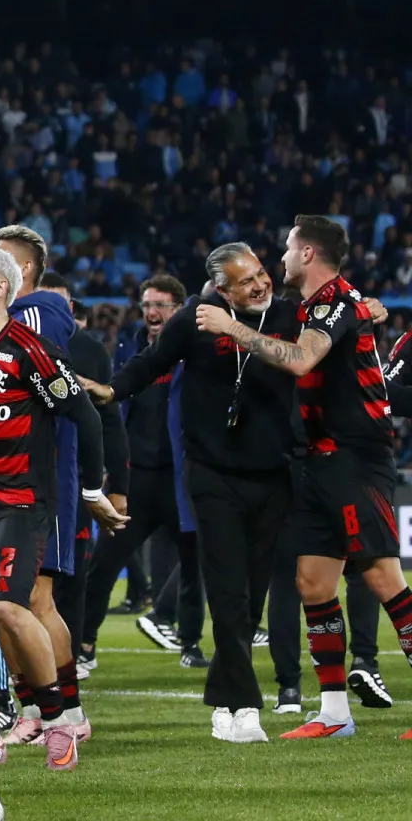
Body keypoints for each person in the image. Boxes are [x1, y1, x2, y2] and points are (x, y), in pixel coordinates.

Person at [193, 216, 412, 741]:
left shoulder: (337, 300)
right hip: (317, 461)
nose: (283, 257)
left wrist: (234, 330)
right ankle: (335, 714)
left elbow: (303, 358)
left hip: (355, 459)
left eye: (290, 248)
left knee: (383, 577)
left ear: (309, 253)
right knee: (312, 582)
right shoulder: (322, 306)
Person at [83, 244, 294, 742]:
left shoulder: (288, 314)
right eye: (245, 281)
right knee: (226, 589)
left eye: (261, 273)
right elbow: (152, 362)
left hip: (273, 473)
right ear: (221, 290)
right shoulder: (197, 320)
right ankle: (244, 707)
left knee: (252, 593)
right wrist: (114, 390)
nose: (260, 284)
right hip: (212, 473)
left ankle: (223, 698)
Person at [0, 245, 119, 775]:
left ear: (0, 288)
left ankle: (60, 723)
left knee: (9, 609)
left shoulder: (31, 351)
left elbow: (85, 418)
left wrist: (91, 492)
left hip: (21, 506)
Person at [76, 276, 206, 672]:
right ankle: (85, 643)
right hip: (136, 481)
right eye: (147, 304)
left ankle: (191, 643)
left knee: (194, 562)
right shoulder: (129, 348)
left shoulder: (195, 349)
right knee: (102, 564)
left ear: (180, 309)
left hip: (181, 479)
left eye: (161, 306)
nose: (151, 313)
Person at [37, 273, 127, 684]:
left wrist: (114, 486)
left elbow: (106, 421)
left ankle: (67, 665)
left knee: (68, 579)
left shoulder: (88, 350)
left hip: (70, 483)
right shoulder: (17, 344)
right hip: (24, 481)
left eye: (62, 307)